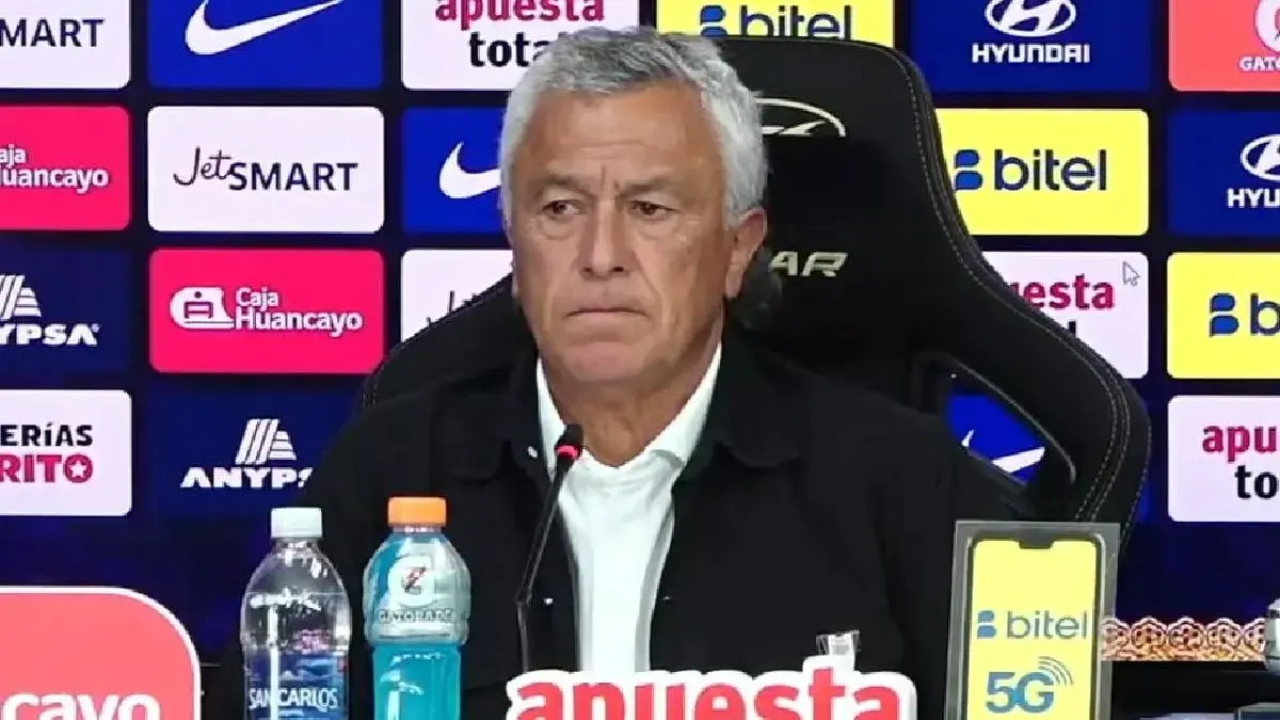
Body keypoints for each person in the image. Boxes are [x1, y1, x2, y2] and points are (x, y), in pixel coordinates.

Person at [207, 26, 1011, 720]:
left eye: (650, 209)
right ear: (514, 239)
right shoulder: (386, 476)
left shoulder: (901, 484)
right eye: (560, 209)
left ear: (737, 249)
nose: (600, 256)